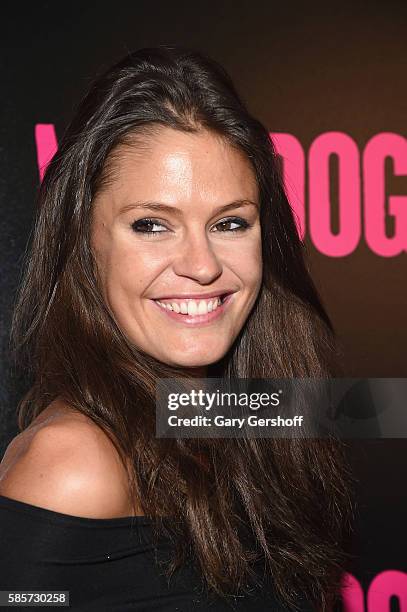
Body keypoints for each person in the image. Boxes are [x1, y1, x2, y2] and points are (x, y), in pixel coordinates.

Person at [0, 45, 353, 611]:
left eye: (230, 222)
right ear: (85, 243)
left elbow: (363, 409)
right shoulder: (71, 465)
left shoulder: (215, 412)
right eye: (152, 225)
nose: (203, 264)